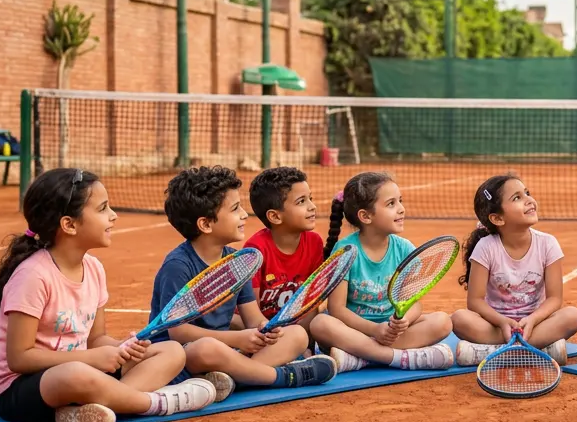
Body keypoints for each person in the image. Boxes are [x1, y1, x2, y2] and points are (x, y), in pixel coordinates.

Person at [0, 168, 215, 422]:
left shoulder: (93, 268)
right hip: (21, 390)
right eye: (103, 208)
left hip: (84, 373)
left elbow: (95, 340)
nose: (114, 215)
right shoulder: (33, 276)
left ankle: (89, 410)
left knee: (172, 351)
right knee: (75, 374)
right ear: (69, 225)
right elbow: (19, 358)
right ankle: (155, 403)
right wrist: (90, 359)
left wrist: (122, 348)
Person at [151, 166, 335, 400]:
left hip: (226, 351)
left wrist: (266, 330)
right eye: (235, 208)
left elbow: (253, 318)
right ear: (205, 224)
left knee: (296, 335)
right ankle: (282, 376)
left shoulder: (238, 262)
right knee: (207, 348)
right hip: (182, 357)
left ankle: (231, 380)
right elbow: (179, 333)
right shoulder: (178, 266)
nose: (245, 215)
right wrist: (238, 339)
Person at [309, 172, 455, 372]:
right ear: (366, 216)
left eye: (400, 201)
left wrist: (404, 321)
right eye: (391, 204)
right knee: (320, 324)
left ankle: (362, 358)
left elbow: (414, 303)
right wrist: (375, 330)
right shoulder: (345, 251)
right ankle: (399, 358)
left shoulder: (405, 248)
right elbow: (337, 309)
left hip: (390, 334)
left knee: (443, 322)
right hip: (354, 331)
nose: (401, 209)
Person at [450, 175, 577, 366]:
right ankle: (534, 350)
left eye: (527, 193)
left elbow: (555, 298)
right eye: (517, 198)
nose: (529, 200)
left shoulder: (548, 243)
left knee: (572, 316)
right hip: (496, 326)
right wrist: (502, 322)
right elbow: (475, 301)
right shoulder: (485, 247)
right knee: (459, 319)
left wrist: (533, 319)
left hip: (536, 324)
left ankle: (495, 352)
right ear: (497, 218)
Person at [242, 166, 325, 334]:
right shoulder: (255, 250)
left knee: (321, 320)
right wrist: (273, 333)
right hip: (263, 329)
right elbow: (252, 315)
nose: (312, 206)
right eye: (301, 201)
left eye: (310, 198)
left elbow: (313, 301)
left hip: (298, 326)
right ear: (275, 216)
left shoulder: (314, 242)